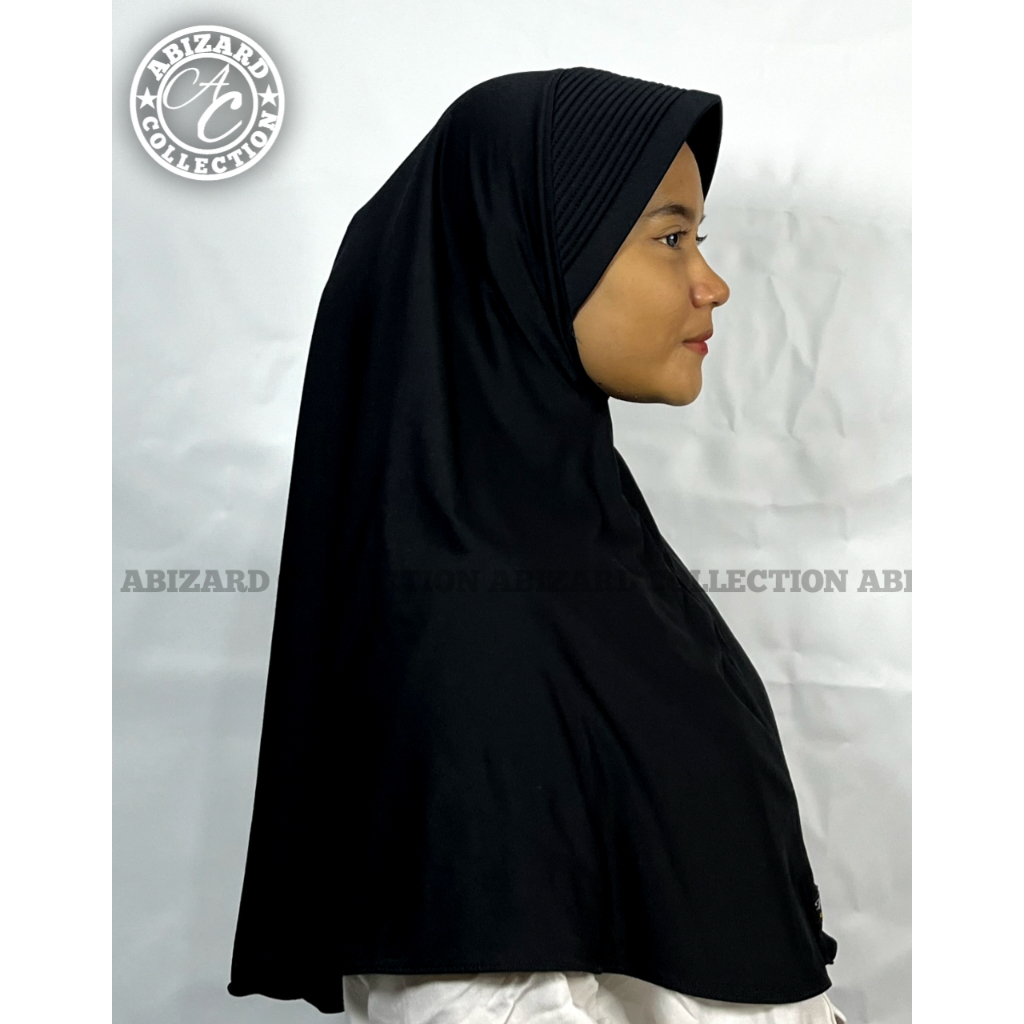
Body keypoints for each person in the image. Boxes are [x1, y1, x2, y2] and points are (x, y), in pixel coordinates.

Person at [227, 67, 845, 1024]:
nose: (712, 283)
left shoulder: (598, 562)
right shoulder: (464, 635)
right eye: (670, 236)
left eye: (700, 237)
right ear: (526, 253)